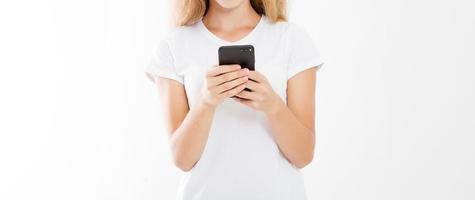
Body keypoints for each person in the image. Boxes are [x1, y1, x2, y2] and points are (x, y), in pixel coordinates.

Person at [145, 0, 324, 199]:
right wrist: (205, 102)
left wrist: (273, 106)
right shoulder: (172, 45)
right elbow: (182, 160)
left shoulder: (291, 39)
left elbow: (304, 155)